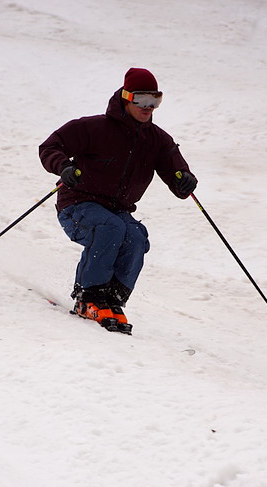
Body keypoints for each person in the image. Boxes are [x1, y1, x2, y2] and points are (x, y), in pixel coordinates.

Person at [39, 67, 197, 334]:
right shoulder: (93, 128)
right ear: (126, 98)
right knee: (110, 228)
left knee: (135, 235)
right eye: (141, 100)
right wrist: (64, 167)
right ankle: (88, 297)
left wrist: (185, 180)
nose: (148, 107)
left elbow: (177, 173)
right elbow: (50, 147)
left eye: (155, 101)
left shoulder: (156, 139)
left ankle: (112, 299)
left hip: (116, 210)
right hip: (77, 204)